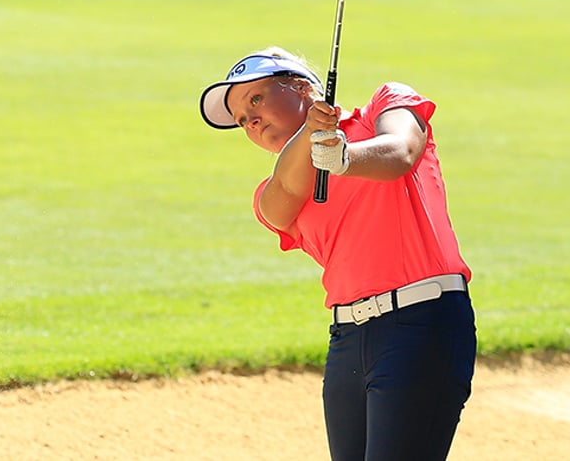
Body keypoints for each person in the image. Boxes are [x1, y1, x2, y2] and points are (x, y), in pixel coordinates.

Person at [198, 47, 476, 461]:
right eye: (241, 120)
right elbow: (287, 192)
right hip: (348, 339)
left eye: (256, 99)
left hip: (422, 324)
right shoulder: (269, 195)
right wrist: (312, 137)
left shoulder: (385, 105)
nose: (251, 122)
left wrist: (344, 156)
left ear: (304, 88)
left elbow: (400, 152)